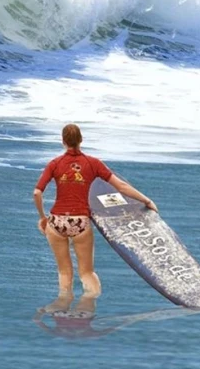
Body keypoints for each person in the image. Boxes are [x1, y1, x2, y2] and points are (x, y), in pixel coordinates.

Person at [33, 123, 158, 299]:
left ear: (63, 142)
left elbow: (37, 192)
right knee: (86, 273)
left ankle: (62, 308)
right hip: (80, 222)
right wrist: (146, 200)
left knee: (64, 272)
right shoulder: (93, 163)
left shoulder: (54, 164)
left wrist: (43, 218)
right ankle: (89, 307)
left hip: (56, 222)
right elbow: (121, 186)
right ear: (81, 140)